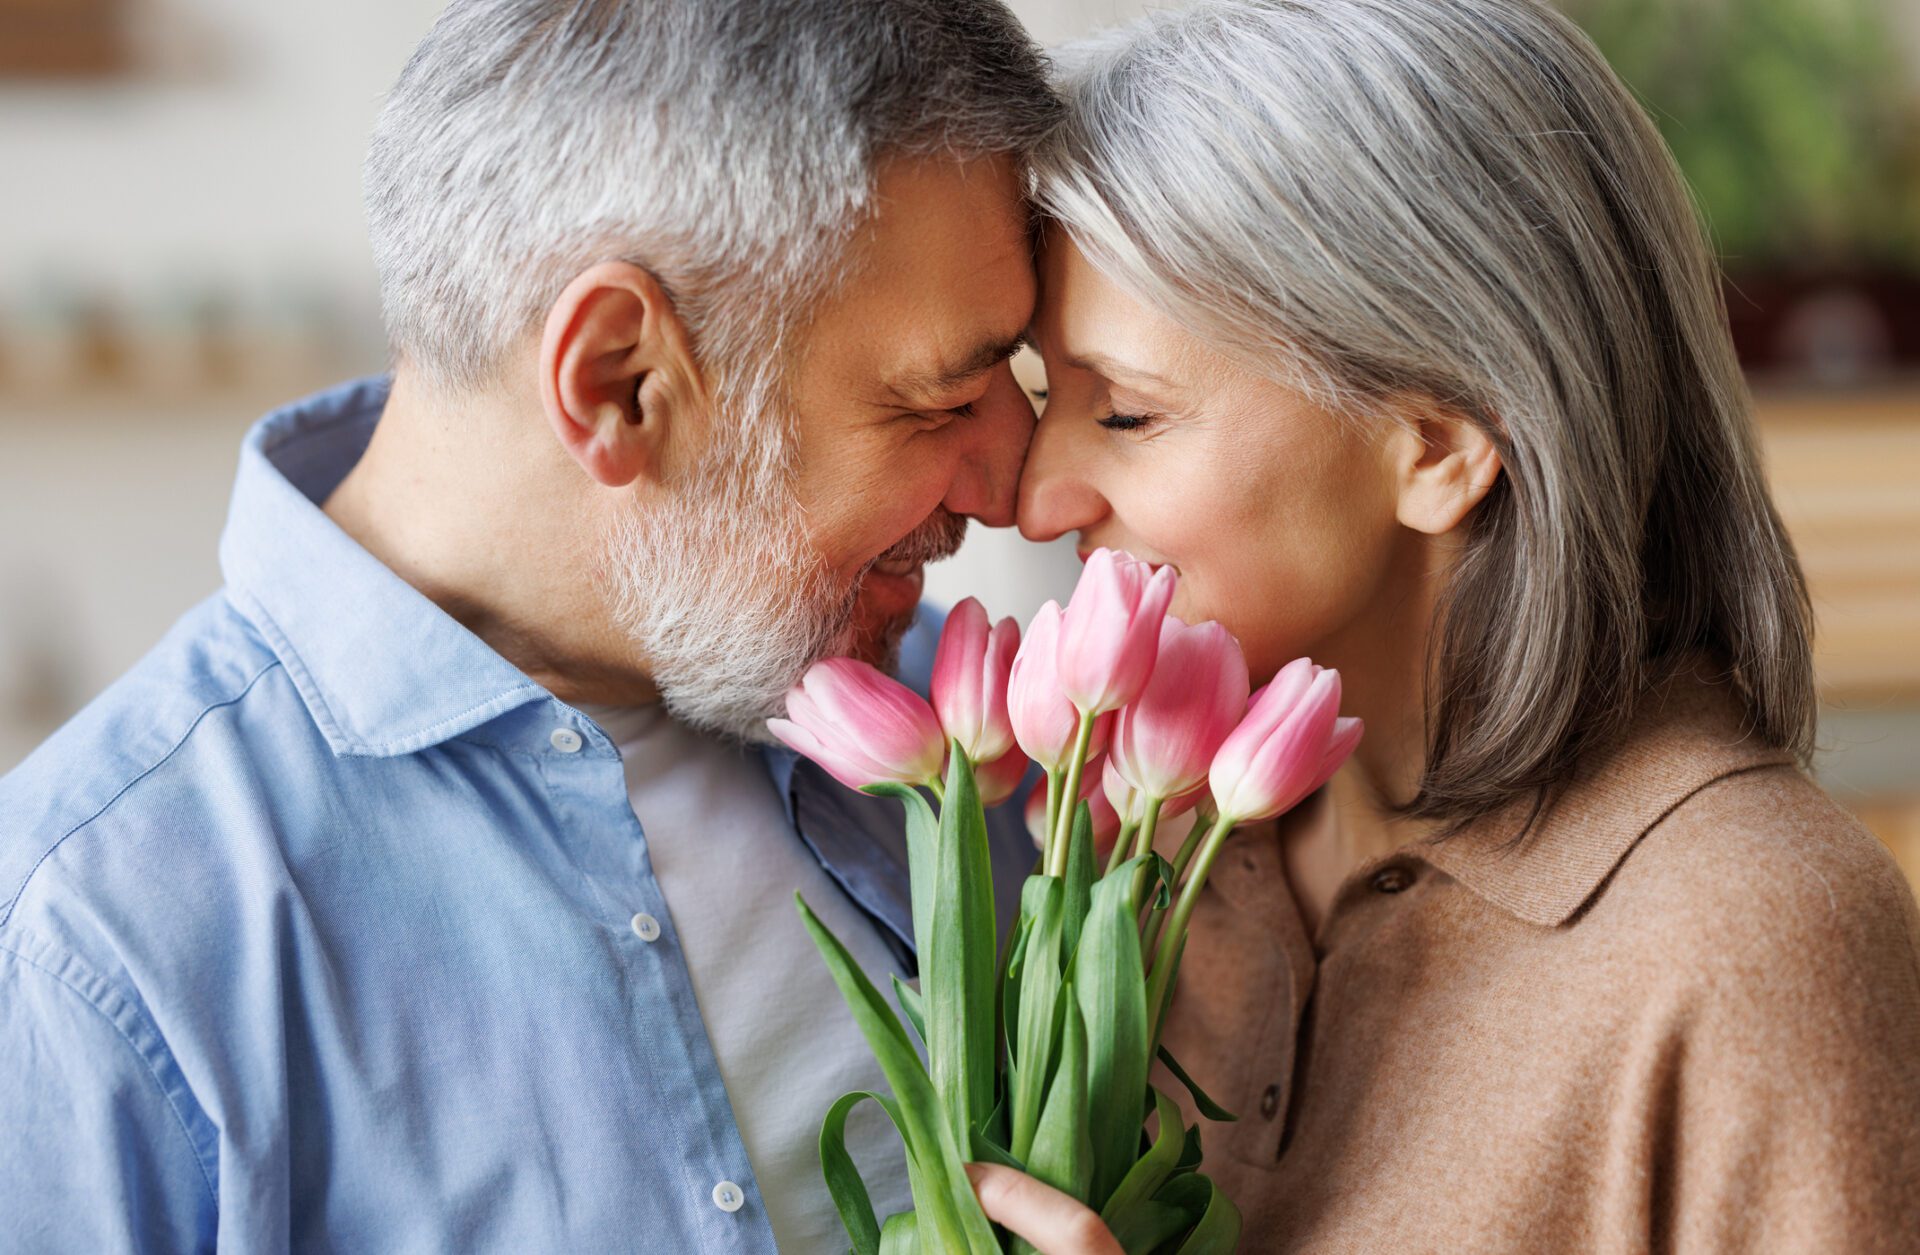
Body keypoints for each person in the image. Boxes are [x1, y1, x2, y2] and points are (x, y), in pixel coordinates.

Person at [0, 1, 1058, 1249]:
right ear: (619, 380)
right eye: (943, 400)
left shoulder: (988, 736)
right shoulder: (92, 942)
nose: (1015, 485)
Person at [969, 0, 1920, 1249]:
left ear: (1435, 443)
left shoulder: (1758, 946)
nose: (1035, 497)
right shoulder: (1141, 859)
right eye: (1049, 396)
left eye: (1129, 414)